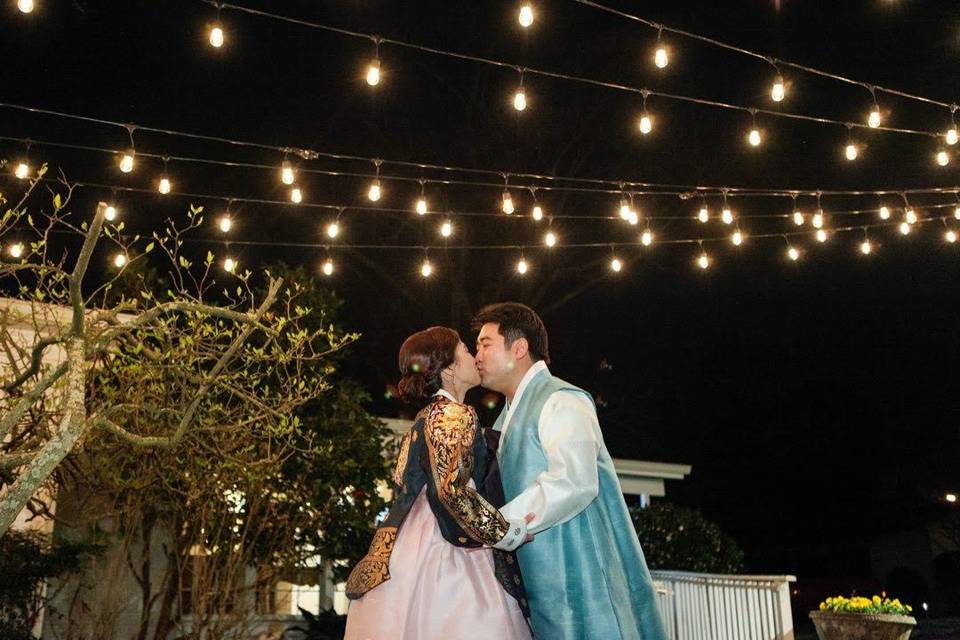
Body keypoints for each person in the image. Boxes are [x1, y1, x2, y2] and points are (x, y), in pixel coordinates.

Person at [473, 303, 667, 640]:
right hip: (540, 584)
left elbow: (574, 481)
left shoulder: (562, 400)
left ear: (519, 348)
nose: (477, 355)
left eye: (485, 344)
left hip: (586, 582)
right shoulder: (504, 420)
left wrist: (495, 524)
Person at [344, 326, 531, 640]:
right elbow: (450, 490)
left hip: (404, 551)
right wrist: (507, 532)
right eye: (466, 350)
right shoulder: (453, 414)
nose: (475, 357)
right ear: (448, 367)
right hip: (445, 549)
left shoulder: (424, 417)